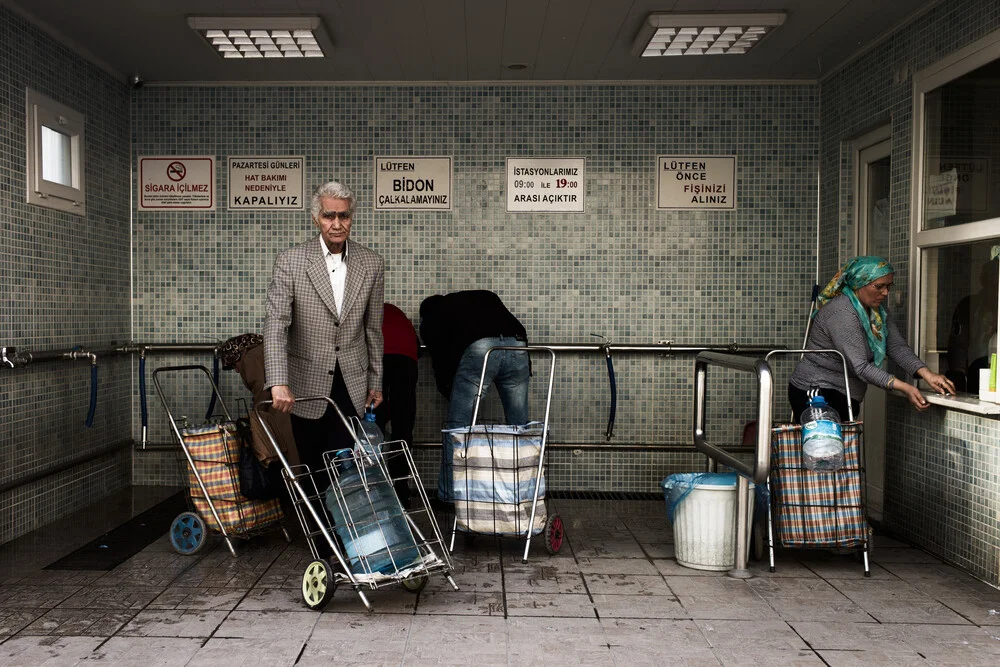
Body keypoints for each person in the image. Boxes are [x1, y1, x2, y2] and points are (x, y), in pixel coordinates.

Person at [263, 180, 384, 484]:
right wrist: (278, 381)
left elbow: (373, 329)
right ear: (316, 218)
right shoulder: (291, 262)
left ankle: (347, 532)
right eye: (329, 216)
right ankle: (319, 532)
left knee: (349, 471)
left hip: (353, 383)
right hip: (307, 382)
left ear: (351, 218)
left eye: (343, 216)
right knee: (313, 469)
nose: (337, 224)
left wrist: (376, 381)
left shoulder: (372, 263)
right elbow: (276, 324)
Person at [789, 256, 955, 422]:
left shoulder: (877, 311)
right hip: (818, 391)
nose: (885, 293)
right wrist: (906, 388)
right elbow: (860, 367)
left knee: (841, 447)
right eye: (879, 286)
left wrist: (927, 374)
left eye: (889, 286)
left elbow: (896, 347)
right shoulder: (842, 313)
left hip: (845, 393)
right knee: (824, 446)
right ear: (858, 284)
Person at [419, 290, 530, 503]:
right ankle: (523, 491)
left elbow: (440, 359)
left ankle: (450, 496)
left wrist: (449, 390)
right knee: (519, 425)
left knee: (458, 428)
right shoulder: (474, 300)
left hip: (481, 348)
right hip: (517, 343)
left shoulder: (433, 315)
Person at [373, 302, 419, 507]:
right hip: (406, 359)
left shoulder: (366, 309)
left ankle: (375, 489)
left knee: (375, 425)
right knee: (403, 425)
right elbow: (417, 345)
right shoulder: (399, 315)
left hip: (378, 358)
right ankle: (401, 491)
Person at [945, 257, 998, 393]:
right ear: (984, 282)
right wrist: (958, 373)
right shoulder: (969, 305)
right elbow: (958, 344)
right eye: (992, 284)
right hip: (976, 368)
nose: (995, 290)